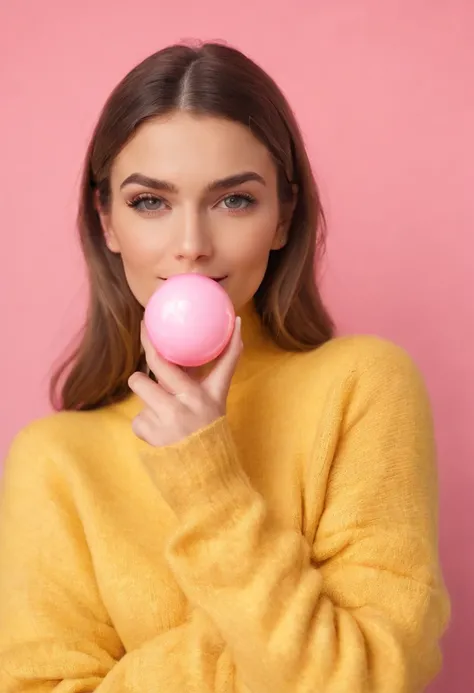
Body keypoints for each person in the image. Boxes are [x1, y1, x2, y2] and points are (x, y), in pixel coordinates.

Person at [0, 41, 450, 693]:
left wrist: (205, 476)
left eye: (233, 200)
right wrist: (273, 651)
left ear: (282, 217)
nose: (190, 244)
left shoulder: (363, 386)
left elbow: (364, 680)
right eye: (150, 202)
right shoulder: (55, 457)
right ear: (107, 222)